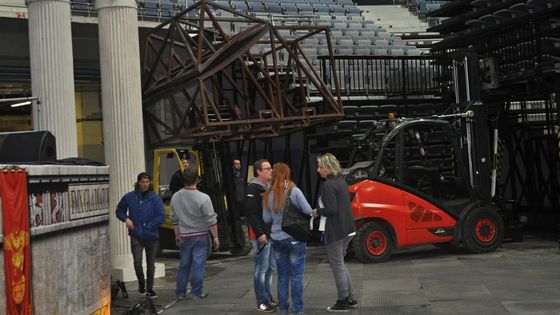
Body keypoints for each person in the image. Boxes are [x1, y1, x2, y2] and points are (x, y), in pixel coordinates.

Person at [262, 163, 312, 315]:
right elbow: (308, 211)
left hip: (277, 239)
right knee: (296, 276)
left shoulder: (267, 194)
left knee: (282, 276)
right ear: (287, 173)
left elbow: (266, 218)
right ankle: (298, 310)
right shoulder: (293, 190)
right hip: (295, 238)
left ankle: (283, 309)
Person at [313, 153, 359, 312]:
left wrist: (317, 211)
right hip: (347, 229)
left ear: (327, 167)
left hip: (335, 230)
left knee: (337, 266)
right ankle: (351, 298)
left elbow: (331, 210)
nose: (318, 170)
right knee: (340, 263)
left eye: (320, 166)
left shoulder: (328, 185)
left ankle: (343, 300)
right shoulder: (341, 182)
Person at [170, 170, 219, 299]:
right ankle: (197, 292)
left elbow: (174, 219)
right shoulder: (204, 198)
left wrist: (177, 235)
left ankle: (180, 292)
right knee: (198, 265)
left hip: (184, 236)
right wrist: (216, 237)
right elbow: (211, 221)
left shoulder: (175, 197)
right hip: (200, 236)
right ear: (196, 180)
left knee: (184, 265)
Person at [116, 172, 165, 298]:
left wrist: (147, 226)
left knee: (150, 263)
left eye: (147, 182)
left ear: (150, 183)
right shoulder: (129, 197)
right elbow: (119, 210)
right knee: (137, 262)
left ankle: (149, 289)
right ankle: (141, 284)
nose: (145, 184)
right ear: (138, 183)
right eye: (143, 182)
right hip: (136, 235)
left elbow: (161, 217)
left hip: (152, 236)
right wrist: (126, 219)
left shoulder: (155, 198)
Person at [245, 159, 277, 313]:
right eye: (267, 169)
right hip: (261, 236)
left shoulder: (267, 187)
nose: (271, 171)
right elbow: (251, 214)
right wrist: (260, 234)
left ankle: (268, 297)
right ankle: (261, 302)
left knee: (270, 267)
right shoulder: (253, 188)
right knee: (261, 269)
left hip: (269, 234)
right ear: (259, 172)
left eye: (270, 168)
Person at [232, 159, 245, 245]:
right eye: (236, 164)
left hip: (243, 200)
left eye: (239, 164)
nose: (238, 165)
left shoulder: (242, 176)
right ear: (233, 166)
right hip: (235, 201)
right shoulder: (231, 177)